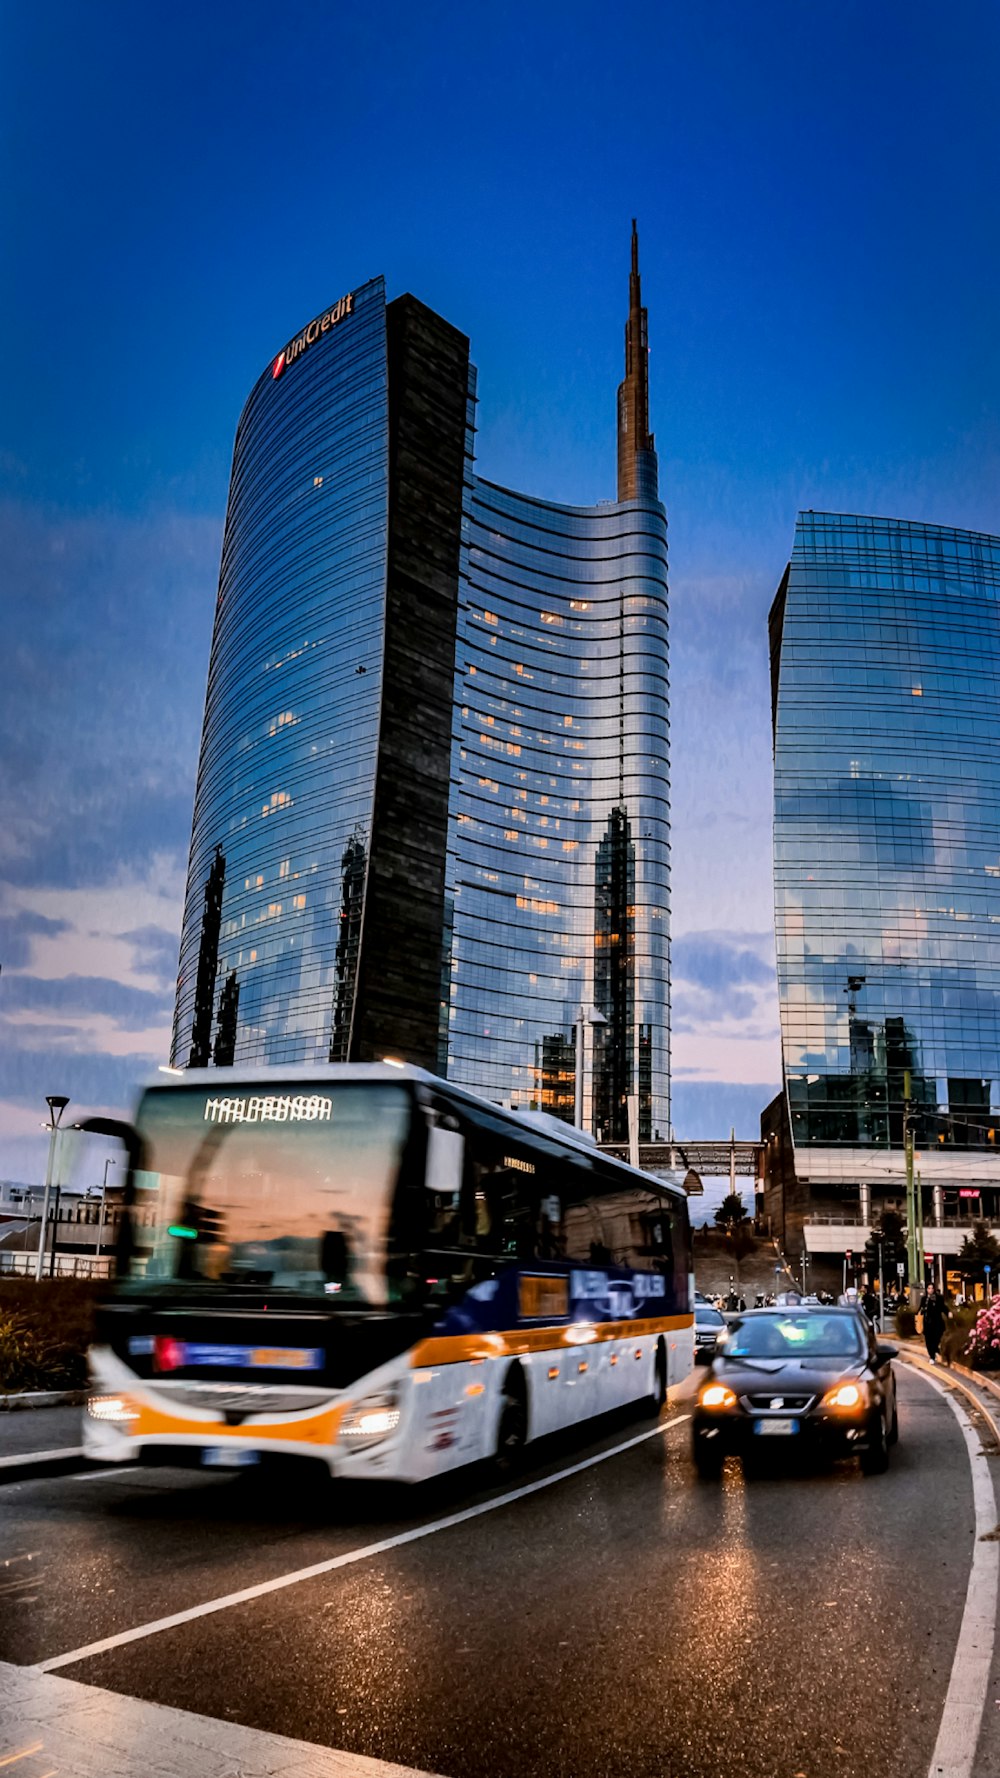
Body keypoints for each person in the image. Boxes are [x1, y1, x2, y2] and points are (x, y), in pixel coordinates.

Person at [921, 1284, 946, 1364]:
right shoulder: (924, 1299)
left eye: (932, 1288)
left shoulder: (939, 1298)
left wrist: (948, 1313)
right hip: (927, 1322)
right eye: (929, 1288)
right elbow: (920, 1308)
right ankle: (932, 1356)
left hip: (937, 1322)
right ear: (927, 1289)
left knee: (936, 1338)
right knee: (928, 1340)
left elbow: (943, 1307)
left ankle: (936, 1349)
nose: (930, 1290)